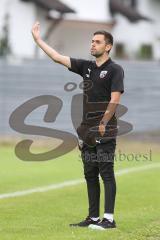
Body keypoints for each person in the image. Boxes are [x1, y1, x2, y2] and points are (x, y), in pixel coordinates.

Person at [31, 22, 124, 230]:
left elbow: (115, 99)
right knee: (90, 173)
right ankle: (92, 217)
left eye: (97, 42)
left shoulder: (115, 70)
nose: (92, 44)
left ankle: (108, 219)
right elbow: (57, 57)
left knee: (106, 173)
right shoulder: (86, 67)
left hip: (104, 129)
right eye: (92, 41)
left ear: (108, 46)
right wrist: (38, 40)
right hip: (86, 131)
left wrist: (103, 122)